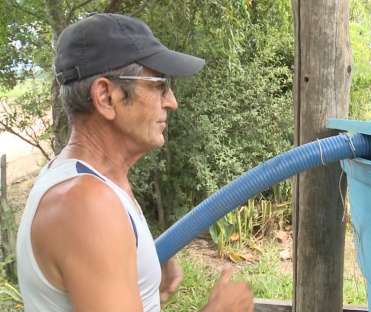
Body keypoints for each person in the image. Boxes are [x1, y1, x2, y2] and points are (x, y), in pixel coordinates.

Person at [15, 13, 254, 312]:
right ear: (106, 97)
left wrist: (141, 269)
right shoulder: (85, 204)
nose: (172, 101)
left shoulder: (92, 183)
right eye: (159, 85)